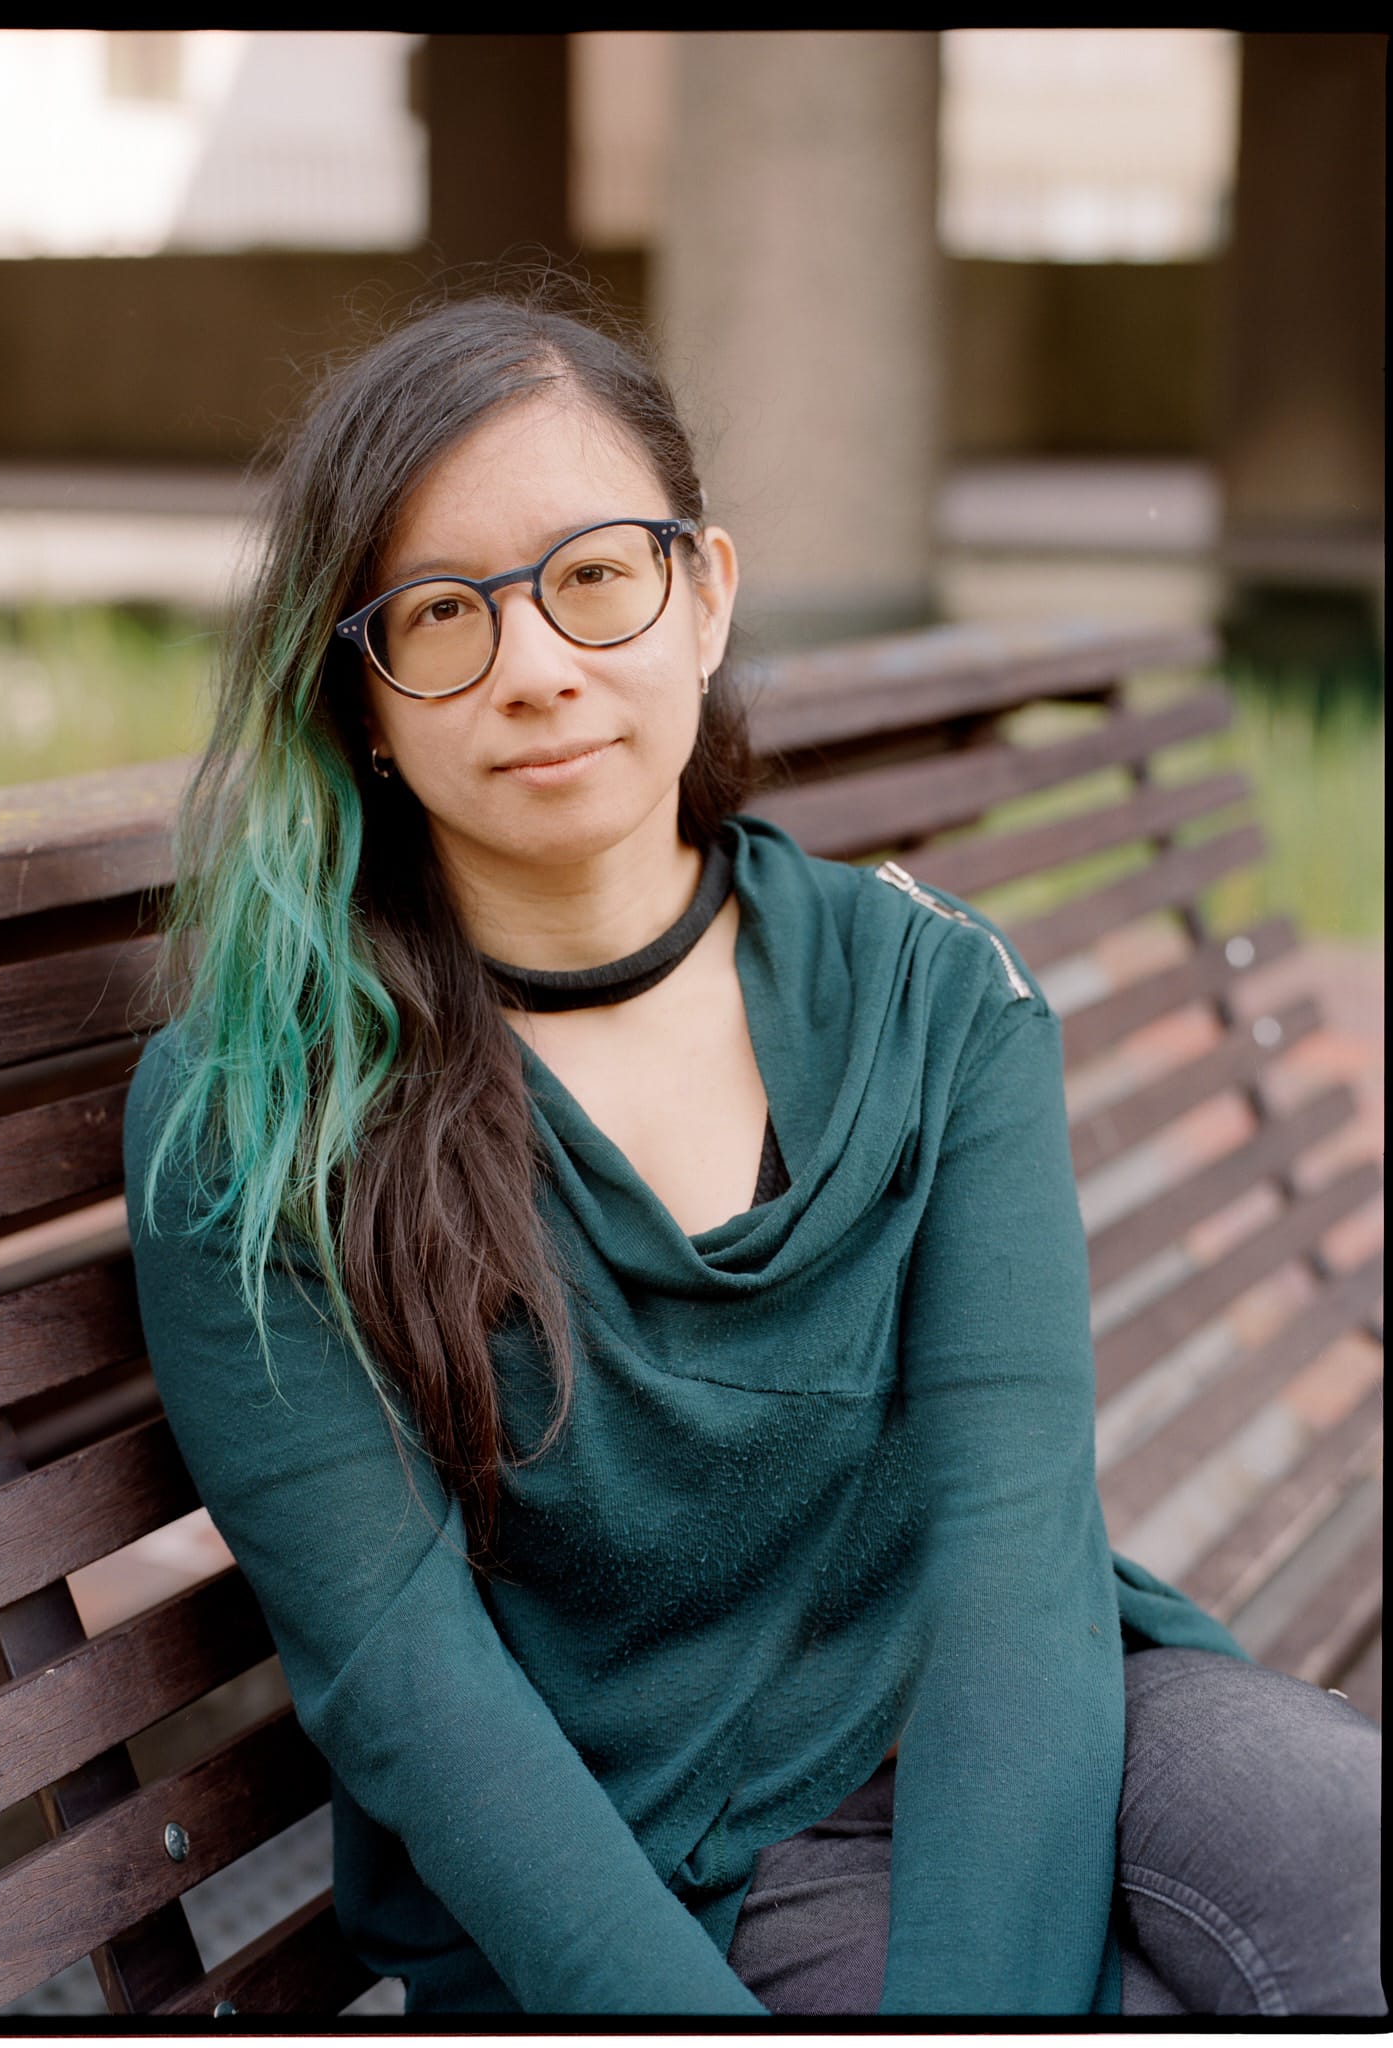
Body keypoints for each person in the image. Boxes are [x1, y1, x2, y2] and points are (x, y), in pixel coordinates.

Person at [123, 287, 1382, 2018]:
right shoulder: (258, 1114)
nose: (537, 665)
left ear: (702, 594)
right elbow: (409, 1687)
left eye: (593, 575)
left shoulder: (934, 991)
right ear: (361, 702)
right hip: (669, 1860)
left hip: (1017, 1708)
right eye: (438, 613)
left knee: (1340, 1849)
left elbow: (1014, 1559)